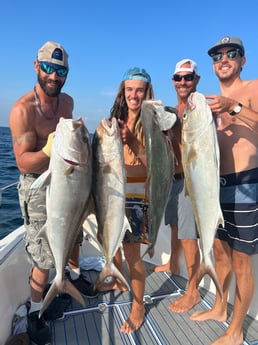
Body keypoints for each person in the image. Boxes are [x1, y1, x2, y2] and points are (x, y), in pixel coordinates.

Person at [9, 41, 97, 345]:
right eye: (48, 68)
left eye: (61, 71)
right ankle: (35, 311)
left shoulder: (67, 103)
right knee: (45, 258)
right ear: (37, 66)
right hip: (37, 185)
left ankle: (68, 280)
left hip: (67, 180)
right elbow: (22, 162)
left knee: (74, 235)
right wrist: (49, 149)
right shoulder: (22, 111)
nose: (54, 76)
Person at [190, 36, 258, 345]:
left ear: (243, 60)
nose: (224, 58)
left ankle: (236, 330)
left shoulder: (253, 88)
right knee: (219, 253)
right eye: (217, 56)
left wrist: (235, 106)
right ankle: (220, 308)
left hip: (246, 184)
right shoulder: (210, 103)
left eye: (232, 53)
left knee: (242, 262)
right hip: (215, 189)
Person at [98, 67, 154, 333]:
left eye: (139, 90)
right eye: (129, 89)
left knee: (133, 255)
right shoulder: (114, 120)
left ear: (146, 92)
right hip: (112, 195)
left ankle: (138, 305)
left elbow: (152, 168)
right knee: (115, 246)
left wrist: (131, 140)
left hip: (135, 196)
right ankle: (119, 281)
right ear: (123, 91)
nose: (133, 95)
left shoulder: (151, 122)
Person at [152, 59, 201, 313]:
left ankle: (192, 291)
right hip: (172, 179)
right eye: (178, 78)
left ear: (197, 79)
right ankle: (172, 264)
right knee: (173, 225)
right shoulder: (171, 110)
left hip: (191, 183)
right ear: (173, 81)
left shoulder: (199, 108)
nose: (183, 82)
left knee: (188, 236)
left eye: (188, 77)